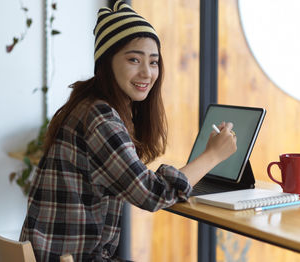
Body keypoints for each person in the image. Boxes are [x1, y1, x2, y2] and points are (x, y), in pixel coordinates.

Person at [19, 1, 237, 261]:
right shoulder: (99, 117)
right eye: (134, 59)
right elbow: (152, 195)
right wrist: (212, 156)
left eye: (154, 62)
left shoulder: (89, 105)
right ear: (106, 62)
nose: (147, 72)